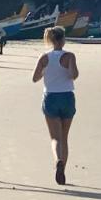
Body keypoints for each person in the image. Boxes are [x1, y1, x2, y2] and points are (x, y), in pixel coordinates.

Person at [33, 26, 79, 186]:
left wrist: (45, 71)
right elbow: (74, 75)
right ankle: (62, 169)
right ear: (63, 39)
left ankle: (58, 160)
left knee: (55, 137)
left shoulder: (44, 57)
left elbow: (35, 78)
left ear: (51, 40)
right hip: (67, 96)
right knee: (64, 137)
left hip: (50, 97)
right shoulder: (70, 56)